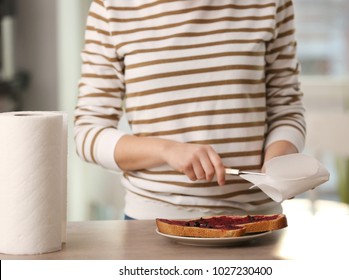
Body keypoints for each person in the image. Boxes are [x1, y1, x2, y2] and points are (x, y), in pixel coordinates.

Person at [74, 0, 306, 220]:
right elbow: (88, 133)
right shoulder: (111, 7)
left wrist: (277, 163)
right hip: (153, 222)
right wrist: (167, 150)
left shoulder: (271, 4)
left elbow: (286, 109)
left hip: (257, 222)